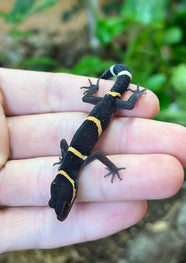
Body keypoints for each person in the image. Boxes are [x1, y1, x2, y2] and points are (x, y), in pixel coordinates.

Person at [0, 67, 185, 253]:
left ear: (71, 187)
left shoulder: (78, 164)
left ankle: (129, 86)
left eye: (65, 205)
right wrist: (65, 155)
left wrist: (112, 168)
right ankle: (113, 76)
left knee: (128, 106)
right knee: (86, 98)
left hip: (111, 103)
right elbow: (64, 143)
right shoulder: (69, 164)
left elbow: (97, 155)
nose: (65, 208)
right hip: (101, 104)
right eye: (63, 204)